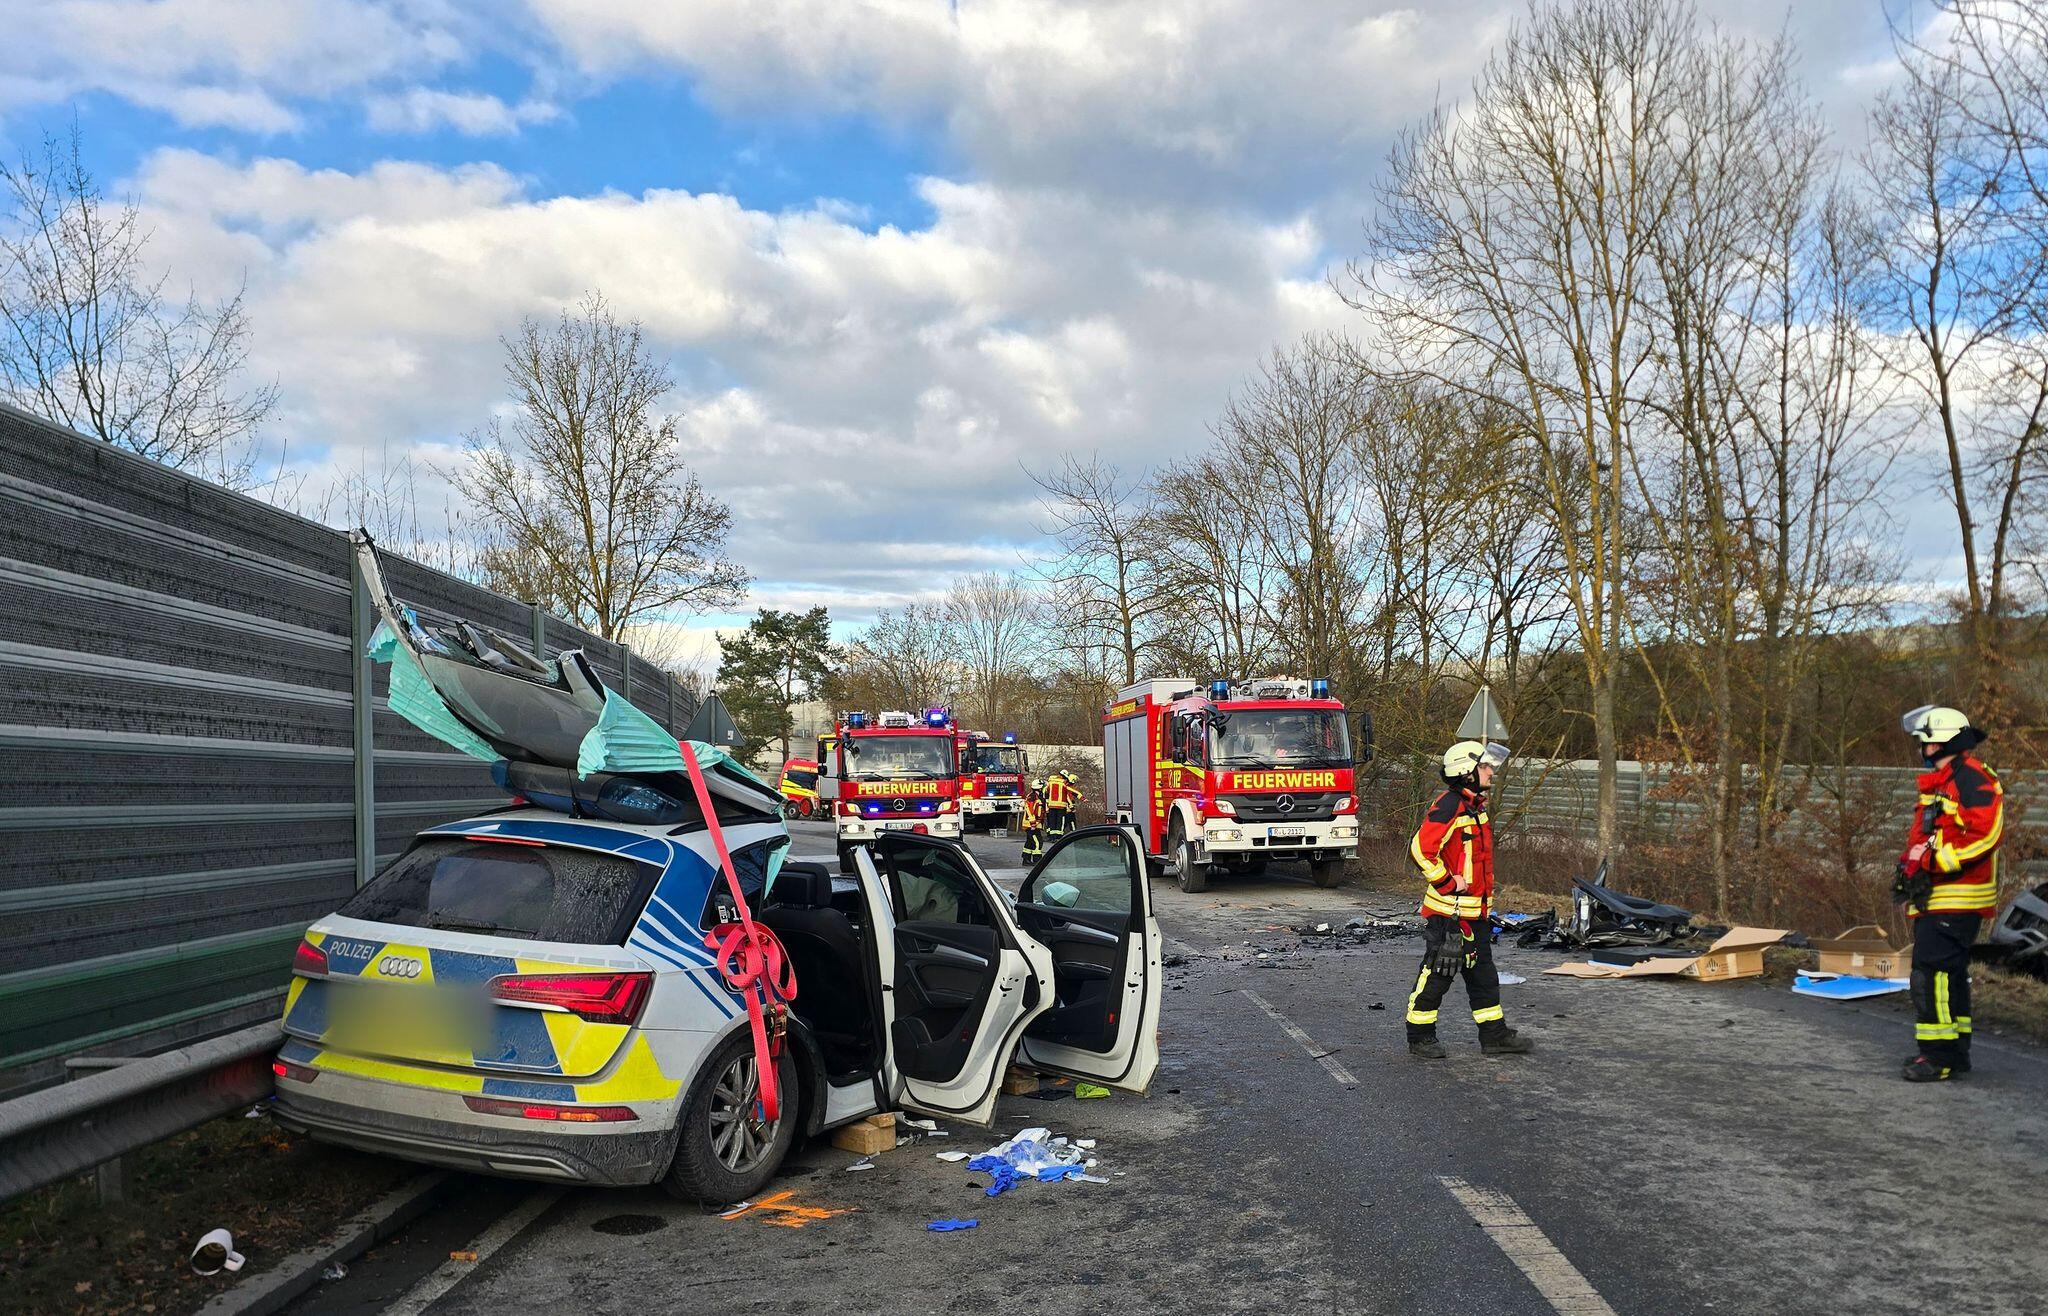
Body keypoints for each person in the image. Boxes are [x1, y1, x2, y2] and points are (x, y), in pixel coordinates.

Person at [1894, 705, 2005, 1083]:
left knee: (1931, 974)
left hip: (1958, 896)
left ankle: (1937, 1055)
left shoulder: (1971, 778)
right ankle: (1954, 1052)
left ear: (1940, 743)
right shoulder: (1945, 780)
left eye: (1924, 743)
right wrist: (1909, 868)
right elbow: (1930, 835)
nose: (1921, 750)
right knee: (1949, 975)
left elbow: (1986, 836)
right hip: (1939, 895)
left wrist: (1933, 863)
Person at [1405, 740, 1531, 1059]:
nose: (1490, 772)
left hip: (1475, 915)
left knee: (1483, 977)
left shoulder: (1475, 807)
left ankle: (1494, 1036)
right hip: (1449, 916)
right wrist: (1447, 882)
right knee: (1438, 975)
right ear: (1466, 771)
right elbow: (1421, 850)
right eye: (1485, 766)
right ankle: (1420, 1036)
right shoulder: (1450, 805)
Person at [1044, 770, 1079, 839]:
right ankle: (1069, 836)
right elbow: (1068, 798)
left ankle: (1052, 836)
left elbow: (1047, 797)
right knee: (1063, 823)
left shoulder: (1051, 786)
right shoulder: (1065, 787)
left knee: (1053, 823)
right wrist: (1072, 807)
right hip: (1065, 809)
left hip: (1052, 807)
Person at [1020, 780, 1049, 862]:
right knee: (1037, 842)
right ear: (1039, 788)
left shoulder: (1038, 797)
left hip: (1035, 824)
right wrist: (1033, 824)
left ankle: (1026, 859)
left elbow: (1042, 809)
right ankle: (1037, 860)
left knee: (1030, 842)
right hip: (1031, 824)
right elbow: (1030, 811)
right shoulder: (1032, 797)